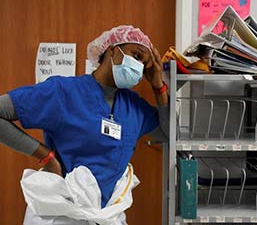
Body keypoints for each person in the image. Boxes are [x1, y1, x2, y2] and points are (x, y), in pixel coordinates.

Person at [0, 25, 169, 225]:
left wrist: (158, 86)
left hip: (106, 215)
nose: (138, 66)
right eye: (136, 55)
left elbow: (167, 133)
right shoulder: (63, 92)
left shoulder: (134, 107)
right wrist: (45, 156)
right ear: (112, 50)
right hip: (62, 213)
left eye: (144, 63)